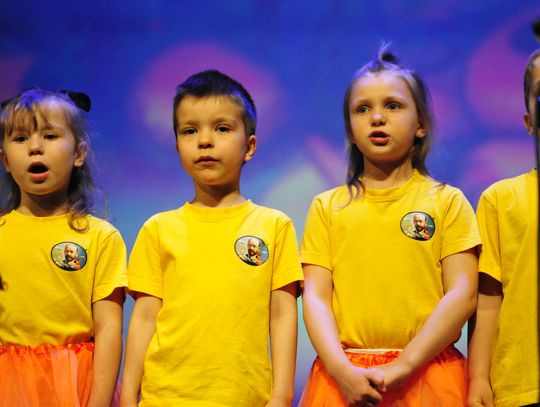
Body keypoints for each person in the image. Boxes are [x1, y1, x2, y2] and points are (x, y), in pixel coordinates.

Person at [299, 45, 480, 406]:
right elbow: (316, 297)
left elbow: (462, 292)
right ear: (351, 130)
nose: (377, 118)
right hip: (344, 379)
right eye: (362, 109)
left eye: (393, 106)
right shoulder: (327, 207)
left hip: (427, 375)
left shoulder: (446, 202)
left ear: (421, 124)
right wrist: (341, 370)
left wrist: (404, 364)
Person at [121, 70, 303, 407]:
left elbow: (282, 315)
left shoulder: (273, 226)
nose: (204, 141)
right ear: (177, 145)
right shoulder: (158, 228)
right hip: (165, 398)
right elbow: (144, 318)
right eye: (190, 131)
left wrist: (282, 394)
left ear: (249, 146)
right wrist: (129, 394)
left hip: (245, 398)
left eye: (222, 128)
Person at [0, 89, 127, 407]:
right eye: (20, 138)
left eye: (50, 135)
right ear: (5, 159)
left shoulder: (100, 237)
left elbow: (109, 330)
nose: (35, 147)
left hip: (75, 385)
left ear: (78, 153)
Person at [467, 48, 540, 407]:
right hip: (524, 387)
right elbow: (487, 299)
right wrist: (479, 377)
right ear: (529, 122)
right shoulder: (500, 199)